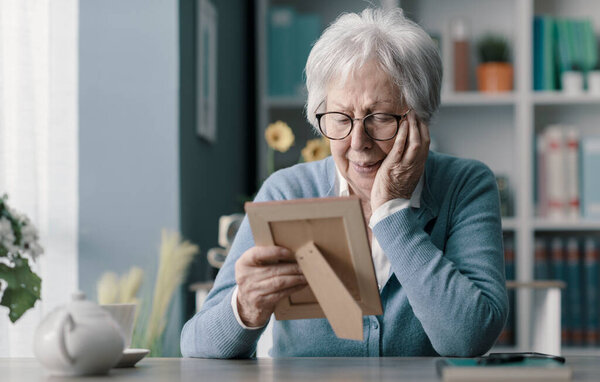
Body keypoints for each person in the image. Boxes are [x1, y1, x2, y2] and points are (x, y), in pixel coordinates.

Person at [181, 7, 508, 358]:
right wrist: (244, 307)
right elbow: (196, 345)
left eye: (379, 117)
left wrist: (392, 211)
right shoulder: (287, 192)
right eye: (339, 118)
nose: (357, 143)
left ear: (420, 119)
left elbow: (469, 339)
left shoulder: (465, 186)